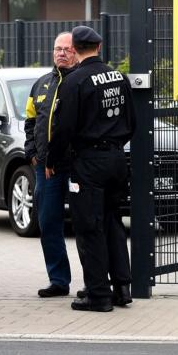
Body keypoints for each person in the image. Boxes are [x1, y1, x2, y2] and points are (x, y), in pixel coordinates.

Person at [47, 25, 136, 312]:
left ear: (75, 48)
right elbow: (131, 122)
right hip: (117, 160)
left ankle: (98, 295)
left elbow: (63, 129)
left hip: (88, 163)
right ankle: (123, 288)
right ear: (99, 47)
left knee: (88, 227)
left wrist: (52, 160)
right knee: (112, 222)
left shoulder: (75, 81)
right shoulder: (117, 77)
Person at [24, 31, 77, 298]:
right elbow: (30, 122)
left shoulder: (81, 82)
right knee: (48, 222)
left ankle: (96, 281)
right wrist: (32, 152)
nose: (62, 53)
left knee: (88, 224)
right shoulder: (41, 84)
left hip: (77, 167)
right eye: (58, 48)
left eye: (67, 49)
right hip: (46, 168)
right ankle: (58, 280)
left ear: (77, 52)